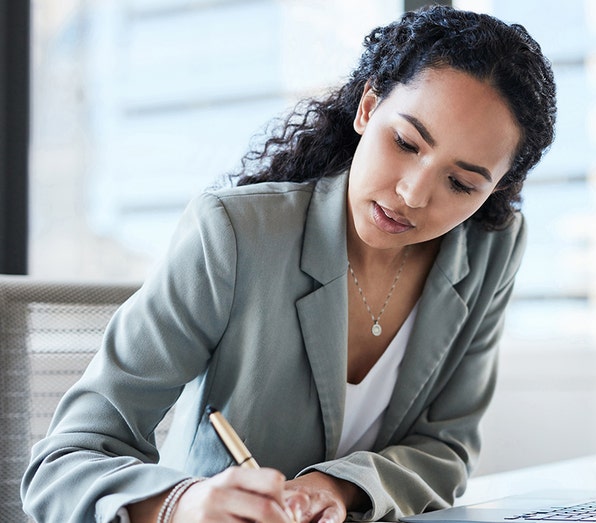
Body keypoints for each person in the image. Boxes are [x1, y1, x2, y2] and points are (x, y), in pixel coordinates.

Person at [21, 5, 556, 523]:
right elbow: (63, 463)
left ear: (498, 188)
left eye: (461, 183)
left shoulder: (492, 249)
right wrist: (178, 506)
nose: (413, 195)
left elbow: (446, 446)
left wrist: (338, 487)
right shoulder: (234, 236)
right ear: (367, 107)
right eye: (404, 142)